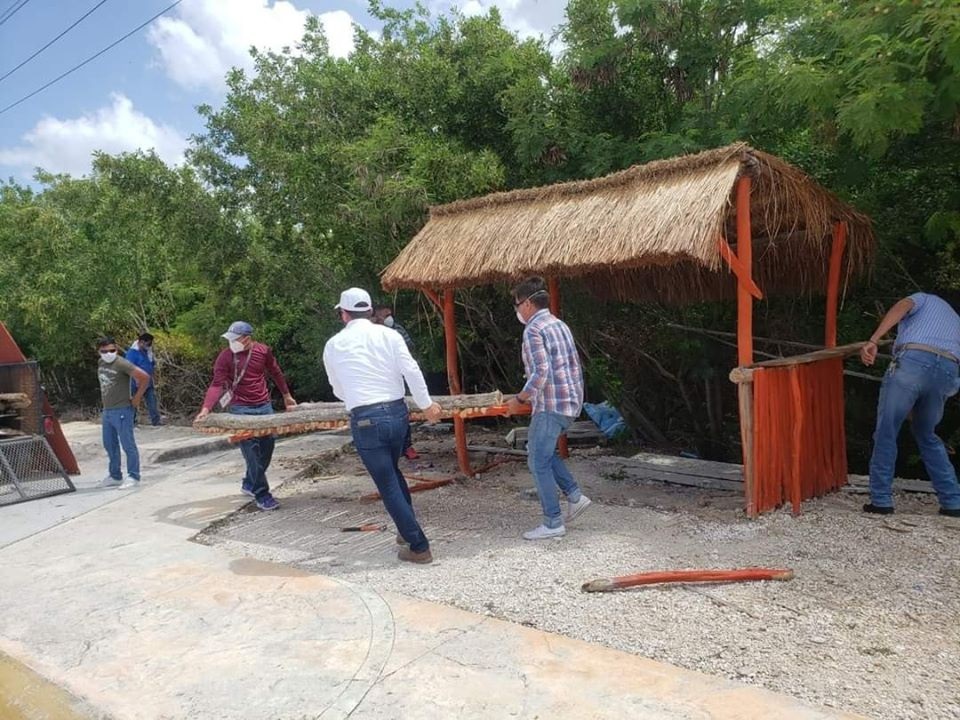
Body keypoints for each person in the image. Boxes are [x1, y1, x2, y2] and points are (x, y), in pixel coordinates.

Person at [324, 288, 442, 564]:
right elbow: (411, 370)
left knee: (387, 483)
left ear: (343, 314)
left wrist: (356, 396)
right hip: (397, 414)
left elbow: (337, 388)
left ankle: (418, 546)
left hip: (365, 418)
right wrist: (426, 404)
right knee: (393, 473)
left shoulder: (334, 344)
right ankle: (405, 531)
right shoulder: (390, 335)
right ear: (370, 311)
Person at [505, 277, 592, 539]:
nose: (517, 310)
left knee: (536, 460)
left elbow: (541, 372)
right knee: (538, 450)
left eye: (518, 304)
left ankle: (553, 522)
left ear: (529, 304)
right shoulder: (559, 324)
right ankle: (575, 496)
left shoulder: (533, 330)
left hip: (551, 404)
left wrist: (519, 399)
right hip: (570, 401)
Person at [860, 293, 960, 517]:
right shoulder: (955, 320)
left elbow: (902, 306)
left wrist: (873, 340)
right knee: (927, 433)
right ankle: (953, 502)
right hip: (948, 369)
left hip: (914, 360)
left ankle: (881, 500)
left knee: (887, 428)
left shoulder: (923, 298)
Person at [195, 321, 297, 511]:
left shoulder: (263, 351)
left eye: (234, 339)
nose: (231, 343)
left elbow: (275, 371)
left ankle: (250, 482)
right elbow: (216, 385)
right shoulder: (225, 357)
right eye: (229, 339)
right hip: (240, 409)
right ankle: (262, 494)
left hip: (264, 406)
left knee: (267, 448)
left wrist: (286, 395)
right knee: (251, 453)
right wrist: (206, 409)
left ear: (246, 339)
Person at [96, 336, 149, 490]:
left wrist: (137, 398)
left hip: (122, 410)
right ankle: (115, 475)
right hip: (107, 410)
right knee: (109, 444)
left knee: (127, 444)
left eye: (112, 350)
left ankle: (134, 475)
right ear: (99, 351)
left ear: (116, 349)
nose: (108, 353)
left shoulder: (121, 363)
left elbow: (144, 377)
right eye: (104, 351)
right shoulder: (101, 363)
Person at [373, 303, 419, 460]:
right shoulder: (368, 333)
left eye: (389, 314)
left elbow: (410, 350)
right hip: (375, 380)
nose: (388, 318)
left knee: (402, 413)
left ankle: (407, 446)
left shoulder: (398, 330)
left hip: (396, 378)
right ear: (375, 315)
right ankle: (384, 449)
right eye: (384, 315)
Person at [126, 332, 161, 426]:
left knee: (152, 401)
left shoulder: (147, 352)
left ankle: (156, 421)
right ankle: (132, 422)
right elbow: (129, 367)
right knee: (133, 402)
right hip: (135, 383)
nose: (149, 346)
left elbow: (151, 365)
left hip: (147, 383)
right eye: (148, 343)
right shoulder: (132, 353)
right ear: (141, 342)